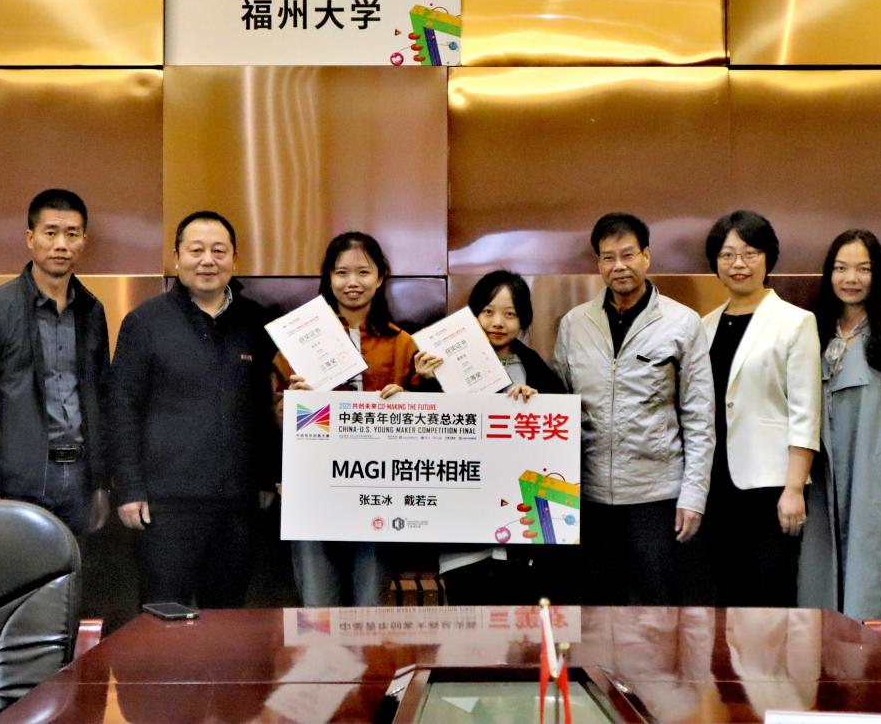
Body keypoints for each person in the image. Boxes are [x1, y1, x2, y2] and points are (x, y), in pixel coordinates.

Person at [109, 211, 277, 608]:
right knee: (163, 616)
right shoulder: (145, 322)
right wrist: (129, 488)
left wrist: (267, 478)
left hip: (237, 503)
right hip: (166, 505)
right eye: (196, 250)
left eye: (219, 251)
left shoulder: (256, 322)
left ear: (234, 258)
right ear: (176, 258)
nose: (207, 261)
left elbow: (266, 406)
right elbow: (122, 408)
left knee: (227, 619)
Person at [552, 212, 715, 606]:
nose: (619, 266)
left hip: (655, 497)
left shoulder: (682, 323)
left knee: (654, 614)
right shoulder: (574, 324)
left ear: (646, 256)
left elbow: (699, 417)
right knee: (594, 612)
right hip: (588, 497)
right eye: (608, 258)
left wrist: (693, 496)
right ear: (598, 264)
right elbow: (558, 404)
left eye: (628, 255)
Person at [798, 230, 881, 619]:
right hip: (820, 488)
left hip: (877, 487)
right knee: (818, 591)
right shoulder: (811, 335)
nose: (851, 279)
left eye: (863, 269)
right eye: (841, 268)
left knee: (869, 594)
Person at [0, 189, 110, 536]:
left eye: (72, 234)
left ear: (84, 241)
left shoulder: (92, 311)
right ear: (30, 238)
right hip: (17, 482)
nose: (61, 245)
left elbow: (100, 397)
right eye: (50, 232)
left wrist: (100, 481)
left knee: (75, 569)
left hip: (79, 479)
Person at [414, 270, 567, 604]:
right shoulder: (442, 367)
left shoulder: (538, 372)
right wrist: (424, 382)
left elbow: (559, 444)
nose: (497, 322)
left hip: (522, 541)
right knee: (469, 629)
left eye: (510, 314)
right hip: (463, 537)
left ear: (523, 320)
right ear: (473, 315)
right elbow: (422, 437)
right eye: (488, 312)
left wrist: (537, 404)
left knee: (519, 629)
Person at [284, 231, 415, 607]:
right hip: (313, 488)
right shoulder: (300, 338)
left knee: (369, 610)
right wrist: (296, 403)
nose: (352, 282)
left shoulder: (402, 342)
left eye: (363, 272)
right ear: (328, 277)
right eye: (341, 273)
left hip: (380, 490)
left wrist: (408, 400)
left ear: (381, 276)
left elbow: (428, 421)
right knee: (317, 610)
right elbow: (275, 412)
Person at [700, 209, 820, 607]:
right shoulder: (704, 325)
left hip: (770, 486)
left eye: (750, 253)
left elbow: (805, 410)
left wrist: (794, 488)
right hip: (715, 484)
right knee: (722, 597)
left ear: (768, 258)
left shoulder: (795, 322)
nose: (739, 264)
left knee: (767, 598)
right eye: (727, 255)